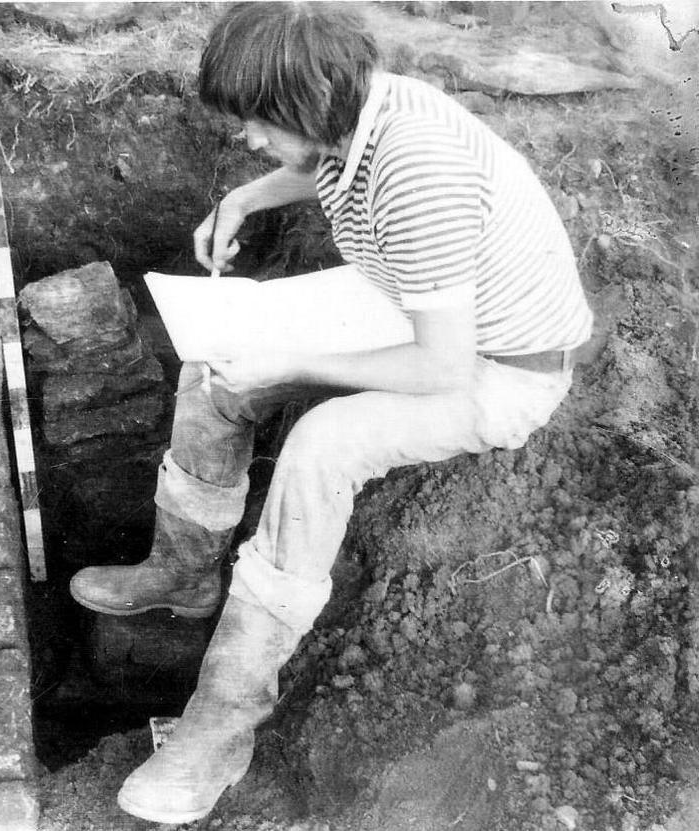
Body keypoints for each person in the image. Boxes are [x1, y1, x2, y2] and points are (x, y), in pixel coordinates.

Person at [69, 2, 594, 824]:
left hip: (499, 367)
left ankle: (220, 728)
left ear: (309, 106)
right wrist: (246, 198)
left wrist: (292, 366)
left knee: (319, 446)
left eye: (257, 125)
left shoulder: (420, 173)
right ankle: (183, 570)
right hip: (416, 305)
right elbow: (320, 165)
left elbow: (443, 367)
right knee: (216, 360)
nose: (248, 139)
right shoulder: (360, 109)